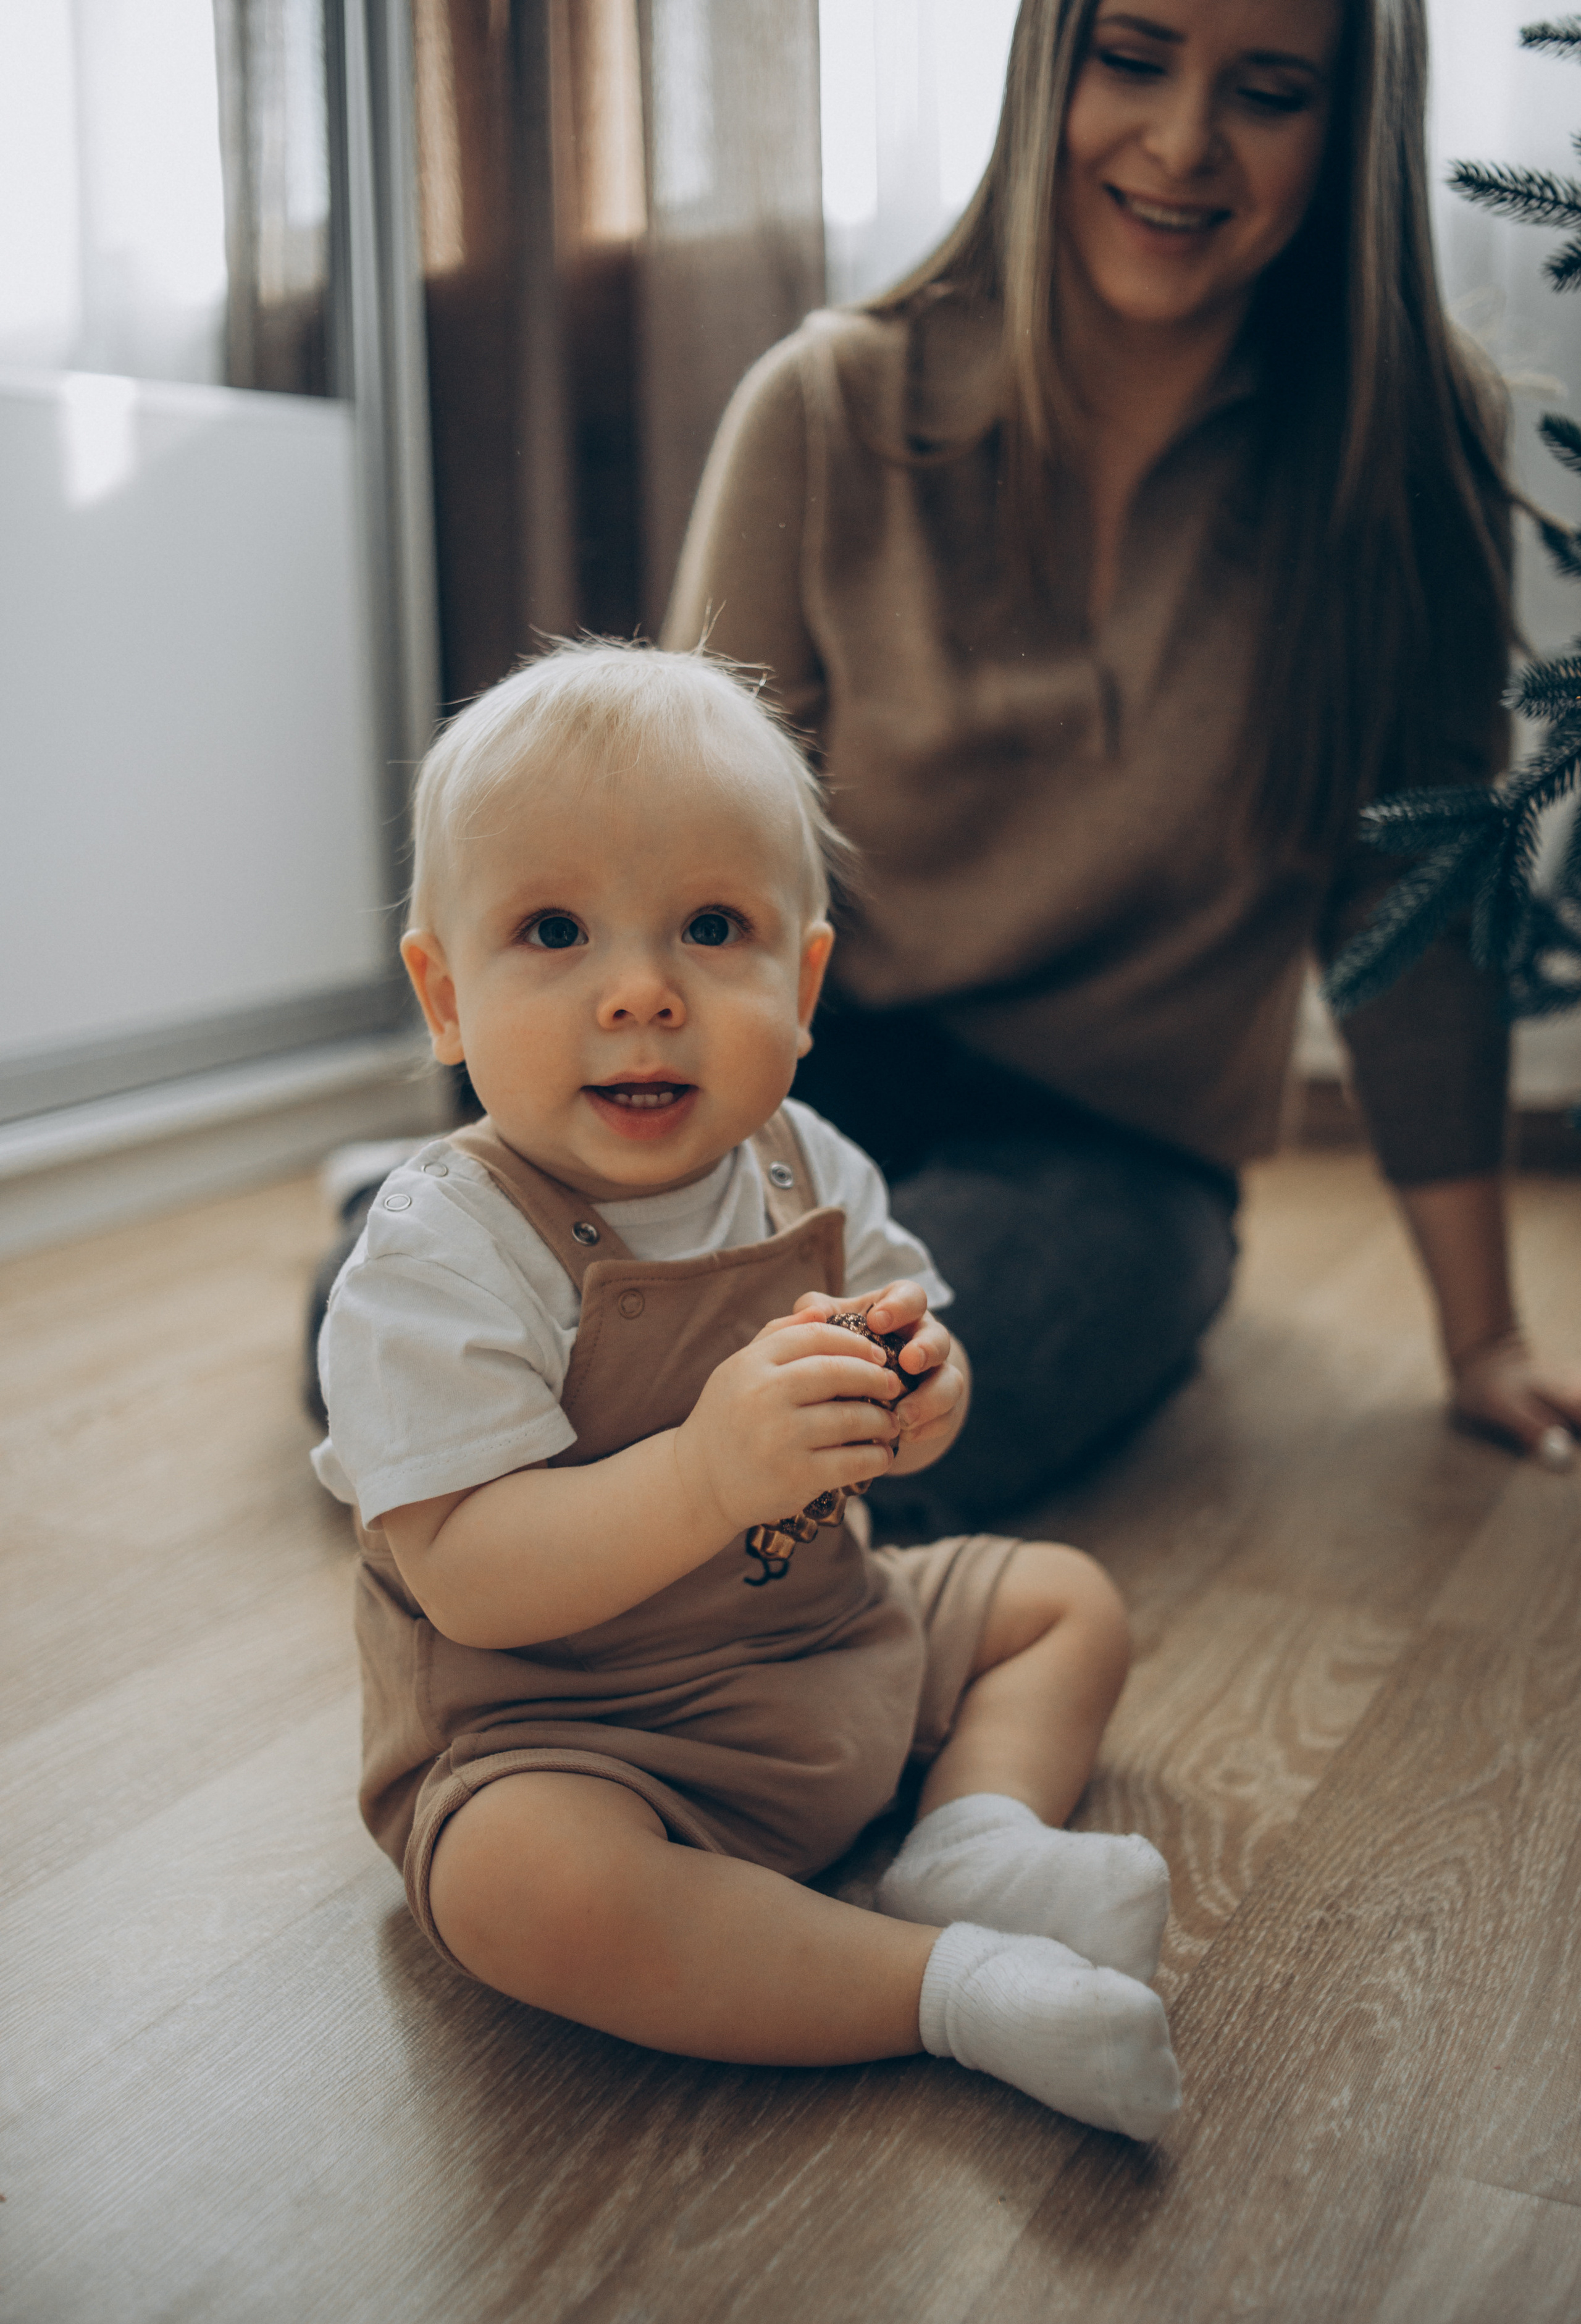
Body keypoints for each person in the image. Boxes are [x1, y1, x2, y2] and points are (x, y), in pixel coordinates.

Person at [663, 0, 1581, 1527]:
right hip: (793, 1076)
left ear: (1349, 129)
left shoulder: (1404, 453)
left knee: (883, 1420)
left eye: (1267, 92)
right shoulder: (822, 407)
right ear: (1049, 68)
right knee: (426, 1342)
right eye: (1133, 60)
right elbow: (682, 861)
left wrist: (1482, 1336)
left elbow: (1409, 916)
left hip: (1104, 1152)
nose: (1179, 142)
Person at [311, 640, 1183, 2139]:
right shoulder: (442, 1251)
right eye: (554, 931)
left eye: (711, 928)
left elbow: (915, 1337)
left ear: (804, 980)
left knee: (1064, 1603)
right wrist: (707, 1475)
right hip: (575, 1733)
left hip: (828, 1633)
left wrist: (927, 1390)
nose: (641, 993)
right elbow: (465, 1578)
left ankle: (971, 1843)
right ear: (444, 998)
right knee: (521, 1890)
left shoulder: (805, 1162)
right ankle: (949, 1990)